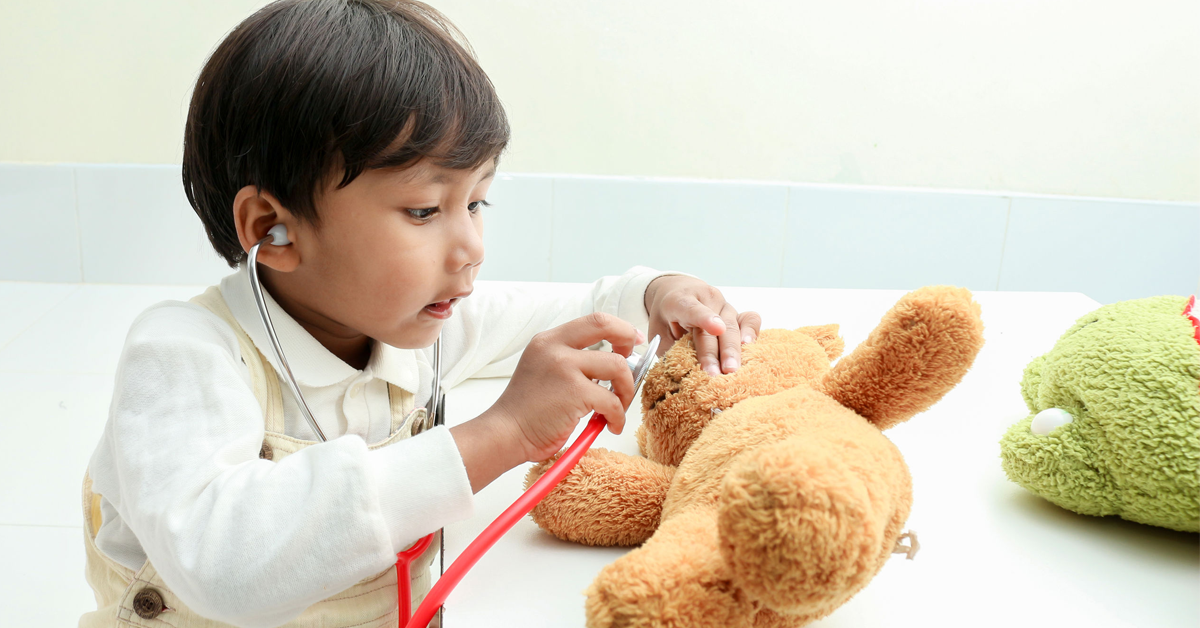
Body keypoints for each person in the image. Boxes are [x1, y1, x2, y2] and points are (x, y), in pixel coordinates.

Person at [80, 1, 761, 626]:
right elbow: (222, 562)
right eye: (424, 210)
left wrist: (656, 295)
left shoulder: (415, 324)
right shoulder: (182, 355)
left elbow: (573, 314)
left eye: (477, 202)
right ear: (273, 229)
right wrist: (503, 432)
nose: (470, 247)